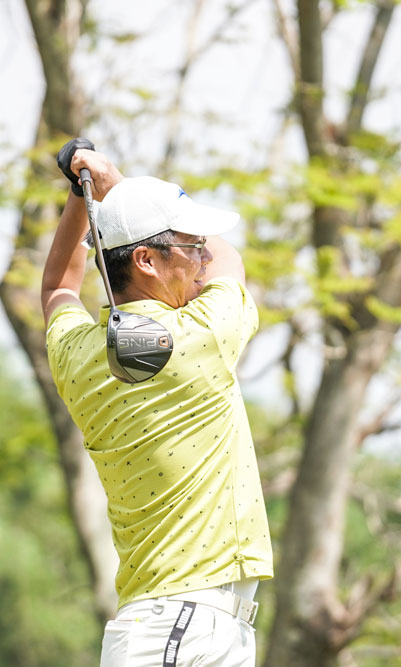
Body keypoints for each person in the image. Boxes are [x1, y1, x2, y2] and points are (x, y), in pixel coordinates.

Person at [41, 140, 273, 667]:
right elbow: (232, 260)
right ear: (145, 260)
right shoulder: (203, 333)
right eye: (191, 245)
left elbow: (58, 287)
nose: (204, 258)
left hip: (178, 626)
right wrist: (112, 185)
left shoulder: (77, 354)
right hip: (184, 628)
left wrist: (85, 196)